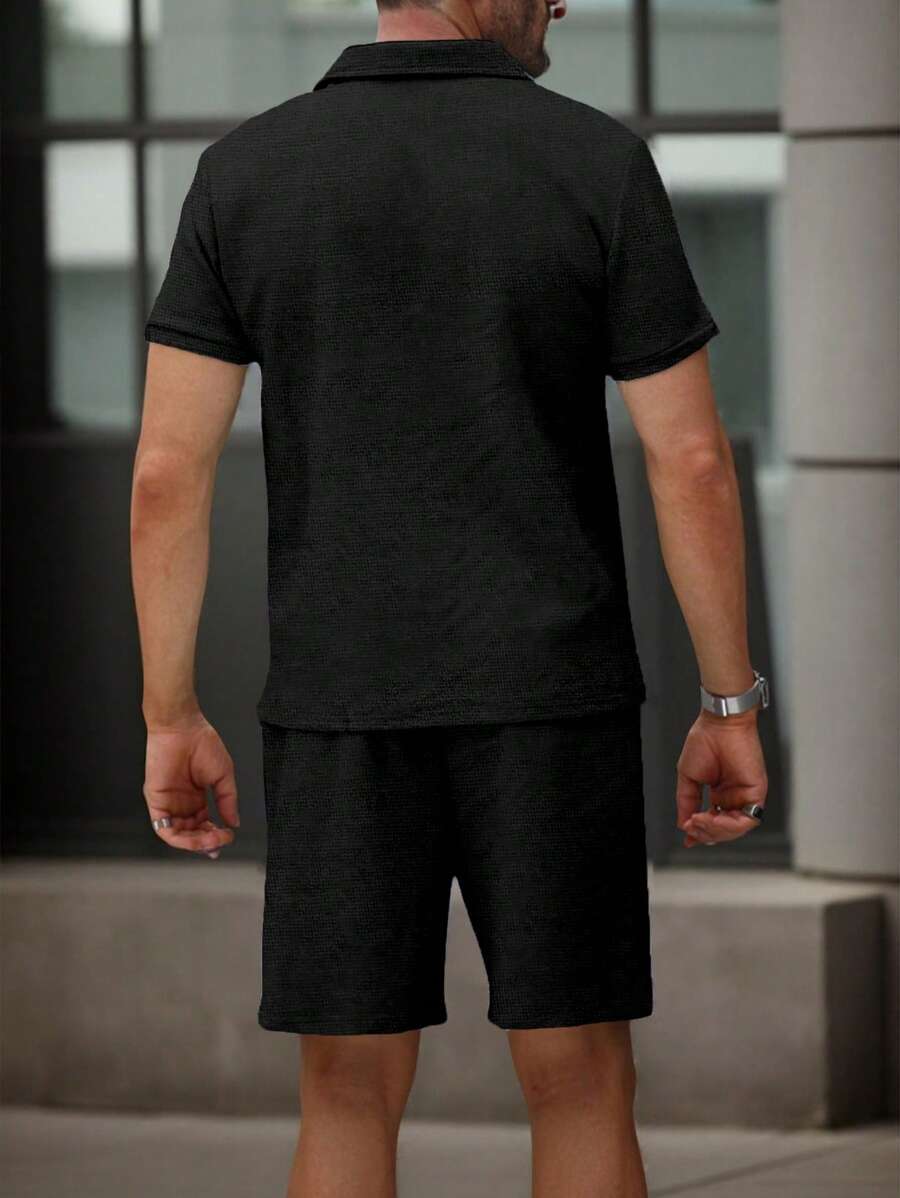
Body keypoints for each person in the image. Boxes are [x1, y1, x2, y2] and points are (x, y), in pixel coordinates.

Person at [131, 0, 770, 1194]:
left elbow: (168, 471)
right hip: (552, 695)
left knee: (345, 1089)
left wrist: (171, 712)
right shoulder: (593, 160)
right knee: (579, 1077)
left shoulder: (245, 172)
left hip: (337, 702)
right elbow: (690, 458)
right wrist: (729, 701)